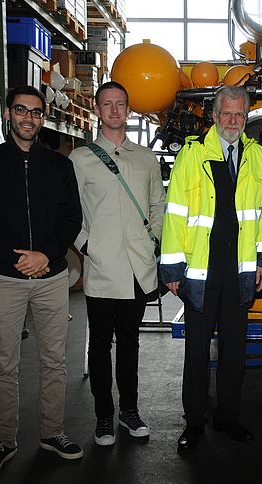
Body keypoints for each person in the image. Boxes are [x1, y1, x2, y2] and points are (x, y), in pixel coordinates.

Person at [0, 85, 84, 478]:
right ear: (8, 115)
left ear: (43, 118)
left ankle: (52, 433)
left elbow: (71, 219)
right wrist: (16, 257)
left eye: (35, 112)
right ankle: (3, 440)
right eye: (21, 110)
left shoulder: (59, 166)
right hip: (6, 277)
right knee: (4, 363)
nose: (28, 118)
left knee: (54, 360)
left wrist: (46, 255)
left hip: (51, 278)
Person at [160, 85, 262, 451]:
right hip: (200, 269)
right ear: (214, 115)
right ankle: (194, 422)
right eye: (226, 113)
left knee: (234, 348)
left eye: (239, 115)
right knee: (196, 350)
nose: (233, 121)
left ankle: (229, 417)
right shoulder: (192, 154)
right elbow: (175, 212)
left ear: (246, 117)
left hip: (239, 269)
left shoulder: (257, 158)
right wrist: (172, 269)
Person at [70, 81, 166, 447]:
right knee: (99, 346)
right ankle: (103, 417)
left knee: (130, 344)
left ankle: (129, 411)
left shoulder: (145, 158)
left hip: (137, 270)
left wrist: (154, 240)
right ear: (97, 110)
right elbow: (70, 212)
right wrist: (86, 245)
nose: (114, 110)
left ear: (129, 110)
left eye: (120, 104)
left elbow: (158, 204)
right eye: (107, 104)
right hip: (102, 268)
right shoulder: (80, 160)